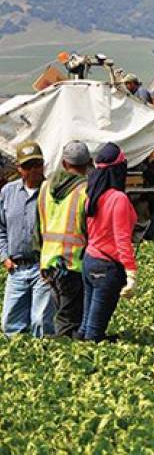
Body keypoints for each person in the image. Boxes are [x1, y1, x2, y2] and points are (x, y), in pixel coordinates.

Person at [79, 143, 138, 342]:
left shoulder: (92, 196)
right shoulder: (118, 198)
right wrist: (131, 272)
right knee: (93, 335)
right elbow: (122, 238)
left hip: (89, 261)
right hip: (106, 267)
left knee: (86, 326)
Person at [36, 141, 91, 337]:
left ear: (64, 163)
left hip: (49, 262)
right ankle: (66, 358)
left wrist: (40, 258)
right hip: (72, 263)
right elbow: (89, 229)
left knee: (61, 310)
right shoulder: (85, 190)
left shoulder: (44, 187)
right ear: (88, 163)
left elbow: (38, 228)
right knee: (69, 319)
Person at [0, 142, 54, 337]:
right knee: (10, 323)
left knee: (41, 322)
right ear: (19, 169)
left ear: (43, 165)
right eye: (28, 166)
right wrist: (5, 257)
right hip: (16, 268)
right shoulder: (8, 192)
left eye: (37, 164)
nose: (33, 170)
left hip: (43, 267)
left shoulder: (51, 192)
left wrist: (50, 262)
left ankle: (43, 361)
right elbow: (1, 228)